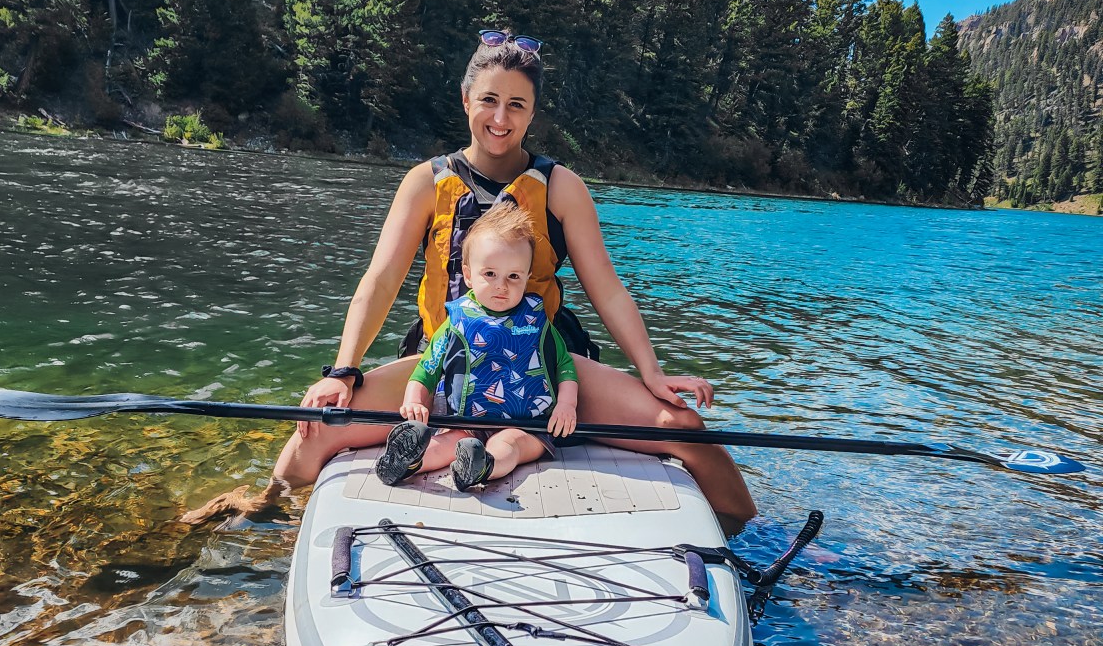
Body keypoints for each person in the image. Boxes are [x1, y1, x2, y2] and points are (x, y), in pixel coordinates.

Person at [183, 29, 757, 534]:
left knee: (685, 427)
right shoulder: (424, 182)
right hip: (448, 356)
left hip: (542, 362)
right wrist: (343, 370)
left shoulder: (563, 187)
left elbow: (606, 287)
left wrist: (651, 373)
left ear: (533, 113)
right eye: (489, 100)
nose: (501, 118)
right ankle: (265, 515)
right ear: (465, 101)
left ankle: (743, 536)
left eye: (517, 104)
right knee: (317, 430)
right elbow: (381, 278)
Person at [375, 202, 578, 491]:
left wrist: (567, 405)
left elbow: (564, 367)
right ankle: (409, 461)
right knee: (447, 443)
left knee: (510, 444)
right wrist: (415, 401)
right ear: (468, 275)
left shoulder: (538, 322)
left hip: (527, 425)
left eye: (514, 276)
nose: (502, 286)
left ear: (527, 276)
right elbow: (427, 368)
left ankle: (482, 466)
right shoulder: (456, 322)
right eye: (490, 274)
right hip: (466, 422)